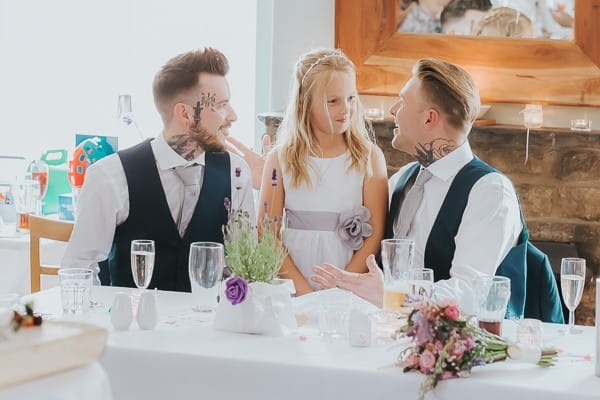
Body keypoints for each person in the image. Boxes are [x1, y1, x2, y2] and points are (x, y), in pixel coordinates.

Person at [312, 58, 523, 315]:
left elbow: (470, 293)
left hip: (454, 346)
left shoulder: (489, 192)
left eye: (402, 103)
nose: (392, 110)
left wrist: (396, 295)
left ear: (429, 119)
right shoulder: (402, 178)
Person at [62, 48, 255, 292]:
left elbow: (245, 266)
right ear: (184, 113)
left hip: (208, 325)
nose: (233, 116)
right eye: (221, 105)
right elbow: (78, 267)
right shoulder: (111, 176)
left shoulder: (236, 173)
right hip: (133, 326)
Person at [259, 48, 388, 296]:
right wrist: (303, 290)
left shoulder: (369, 158)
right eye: (333, 101)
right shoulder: (280, 159)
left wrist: (341, 288)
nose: (346, 109)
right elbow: (267, 234)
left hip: (348, 285)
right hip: (293, 281)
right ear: (304, 103)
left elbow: (374, 235)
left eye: (351, 97)